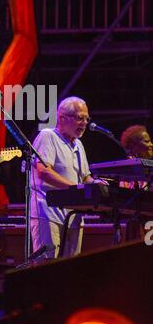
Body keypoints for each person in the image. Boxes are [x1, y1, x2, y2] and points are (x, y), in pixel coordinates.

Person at [30, 96, 107, 259]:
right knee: (47, 267)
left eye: (87, 118)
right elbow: (44, 172)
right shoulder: (48, 136)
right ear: (62, 118)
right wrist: (76, 189)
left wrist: (97, 184)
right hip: (48, 213)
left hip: (74, 216)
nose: (85, 123)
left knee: (71, 268)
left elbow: (85, 177)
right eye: (80, 118)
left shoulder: (78, 144)